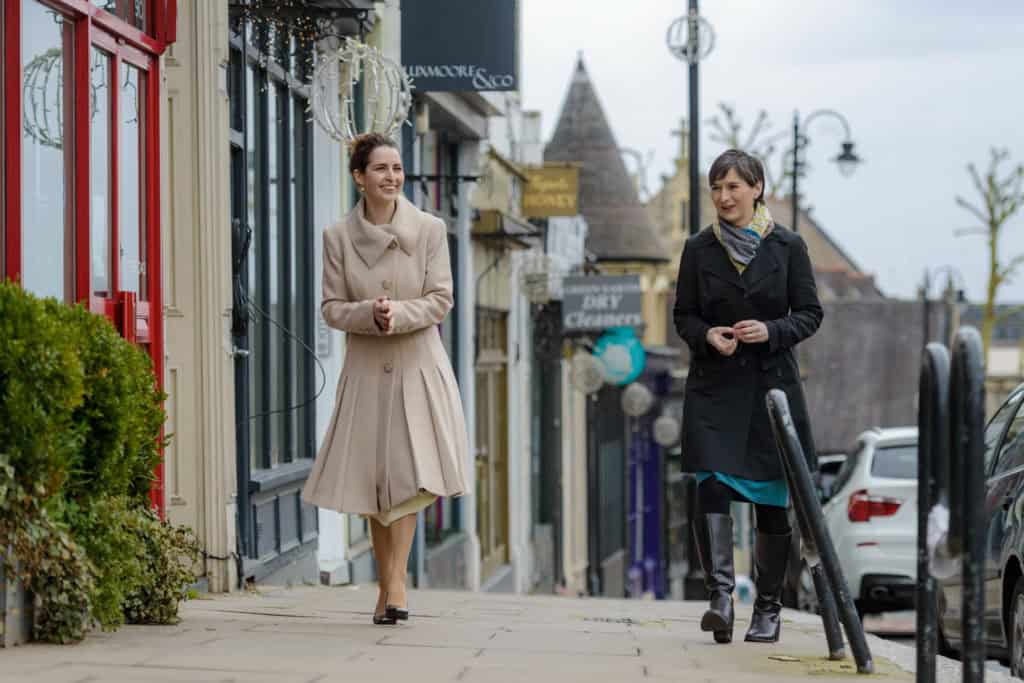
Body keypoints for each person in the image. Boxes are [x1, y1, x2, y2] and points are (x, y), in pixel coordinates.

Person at [302, 133, 469, 625]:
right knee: (377, 483)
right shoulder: (337, 238)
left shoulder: (431, 230)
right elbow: (331, 308)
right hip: (367, 370)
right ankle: (388, 585)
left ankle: (394, 585)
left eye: (396, 168)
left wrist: (396, 313)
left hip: (418, 365)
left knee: (409, 477)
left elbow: (441, 298)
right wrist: (365, 314)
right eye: (381, 169)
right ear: (359, 177)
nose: (392, 177)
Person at [673, 149, 823, 644]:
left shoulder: (788, 246)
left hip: (770, 391)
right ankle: (720, 598)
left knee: (770, 501)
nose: (723, 196)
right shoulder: (698, 248)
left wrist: (771, 330)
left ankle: (767, 608)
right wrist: (707, 335)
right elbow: (684, 315)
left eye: (733, 186)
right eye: (716, 188)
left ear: (758, 187)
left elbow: (809, 313)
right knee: (709, 484)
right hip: (715, 389)